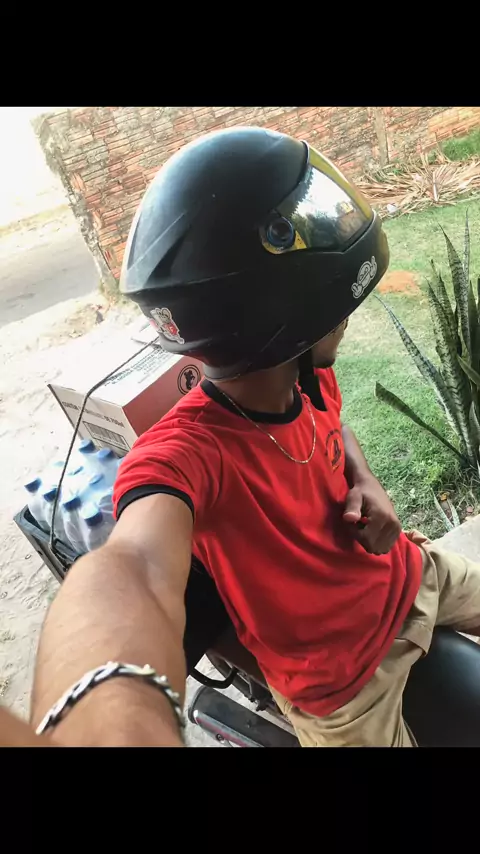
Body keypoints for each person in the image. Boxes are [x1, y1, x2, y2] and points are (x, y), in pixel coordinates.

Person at [30, 127, 480, 748]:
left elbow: (332, 424)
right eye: (334, 310)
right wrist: (104, 717)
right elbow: (136, 566)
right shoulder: (188, 454)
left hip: (409, 575)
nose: (345, 320)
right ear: (276, 314)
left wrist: (364, 478)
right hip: (341, 689)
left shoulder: (304, 374)